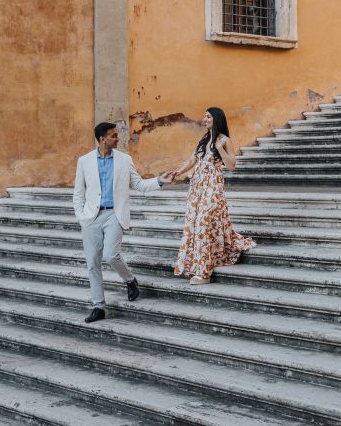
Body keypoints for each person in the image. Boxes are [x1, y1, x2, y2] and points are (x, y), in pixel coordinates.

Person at [73, 121, 168, 322]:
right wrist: (81, 216)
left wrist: (160, 181)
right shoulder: (85, 161)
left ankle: (130, 280)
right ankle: (98, 306)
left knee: (110, 255)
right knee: (92, 263)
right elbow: (78, 194)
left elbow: (139, 184)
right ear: (102, 139)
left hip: (114, 215)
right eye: (113, 135)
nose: (117, 138)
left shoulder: (124, 160)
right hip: (91, 217)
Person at [163, 107, 255, 284]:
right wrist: (177, 172)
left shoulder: (224, 140)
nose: (204, 119)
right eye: (205, 116)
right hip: (197, 185)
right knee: (194, 223)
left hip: (213, 185)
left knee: (204, 221)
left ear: (217, 119)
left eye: (208, 116)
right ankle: (195, 265)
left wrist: (220, 149)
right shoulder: (203, 139)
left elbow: (232, 166)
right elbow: (192, 160)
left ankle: (204, 272)